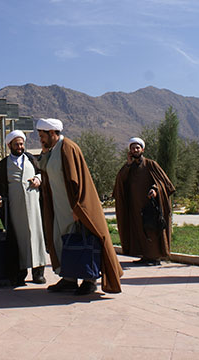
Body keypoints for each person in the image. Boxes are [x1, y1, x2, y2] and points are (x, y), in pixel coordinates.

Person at [37, 118, 122, 295]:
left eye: (43, 136)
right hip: (59, 208)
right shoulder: (53, 150)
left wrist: (77, 208)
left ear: (53, 133)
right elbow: (45, 170)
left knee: (83, 240)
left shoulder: (68, 148)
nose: (41, 140)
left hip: (74, 208)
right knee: (65, 242)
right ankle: (69, 279)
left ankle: (89, 280)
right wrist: (45, 152)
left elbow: (76, 181)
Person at [0, 130, 47, 286]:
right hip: (15, 208)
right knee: (18, 239)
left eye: (22, 144)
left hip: (34, 206)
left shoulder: (31, 159)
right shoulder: (3, 165)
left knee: (36, 237)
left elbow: (43, 174)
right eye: (17, 144)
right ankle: (20, 273)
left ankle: (38, 273)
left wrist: (38, 179)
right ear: (10, 145)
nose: (20, 147)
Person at [113, 137, 176, 265]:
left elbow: (164, 183)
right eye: (133, 148)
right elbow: (120, 181)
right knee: (139, 231)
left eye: (137, 147)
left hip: (150, 206)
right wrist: (128, 164)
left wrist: (155, 189)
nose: (135, 150)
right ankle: (145, 256)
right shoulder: (129, 167)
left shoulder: (151, 164)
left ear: (142, 149)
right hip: (135, 206)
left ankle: (155, 257)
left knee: (151, 230)